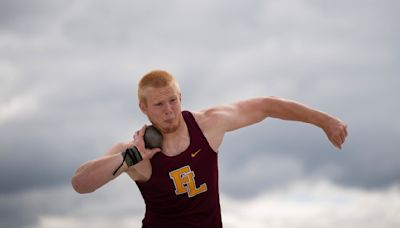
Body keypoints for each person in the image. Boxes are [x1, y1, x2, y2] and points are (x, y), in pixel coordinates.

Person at [71, 70, 348, 227]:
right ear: (143, 108)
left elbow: (267, 105)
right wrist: (130, 156)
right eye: (158, 105)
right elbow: (81, 183)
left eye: (172, 101)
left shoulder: (208, 125)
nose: (169, 111)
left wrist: (325, 121)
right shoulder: (134, 153)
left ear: (180, 97)